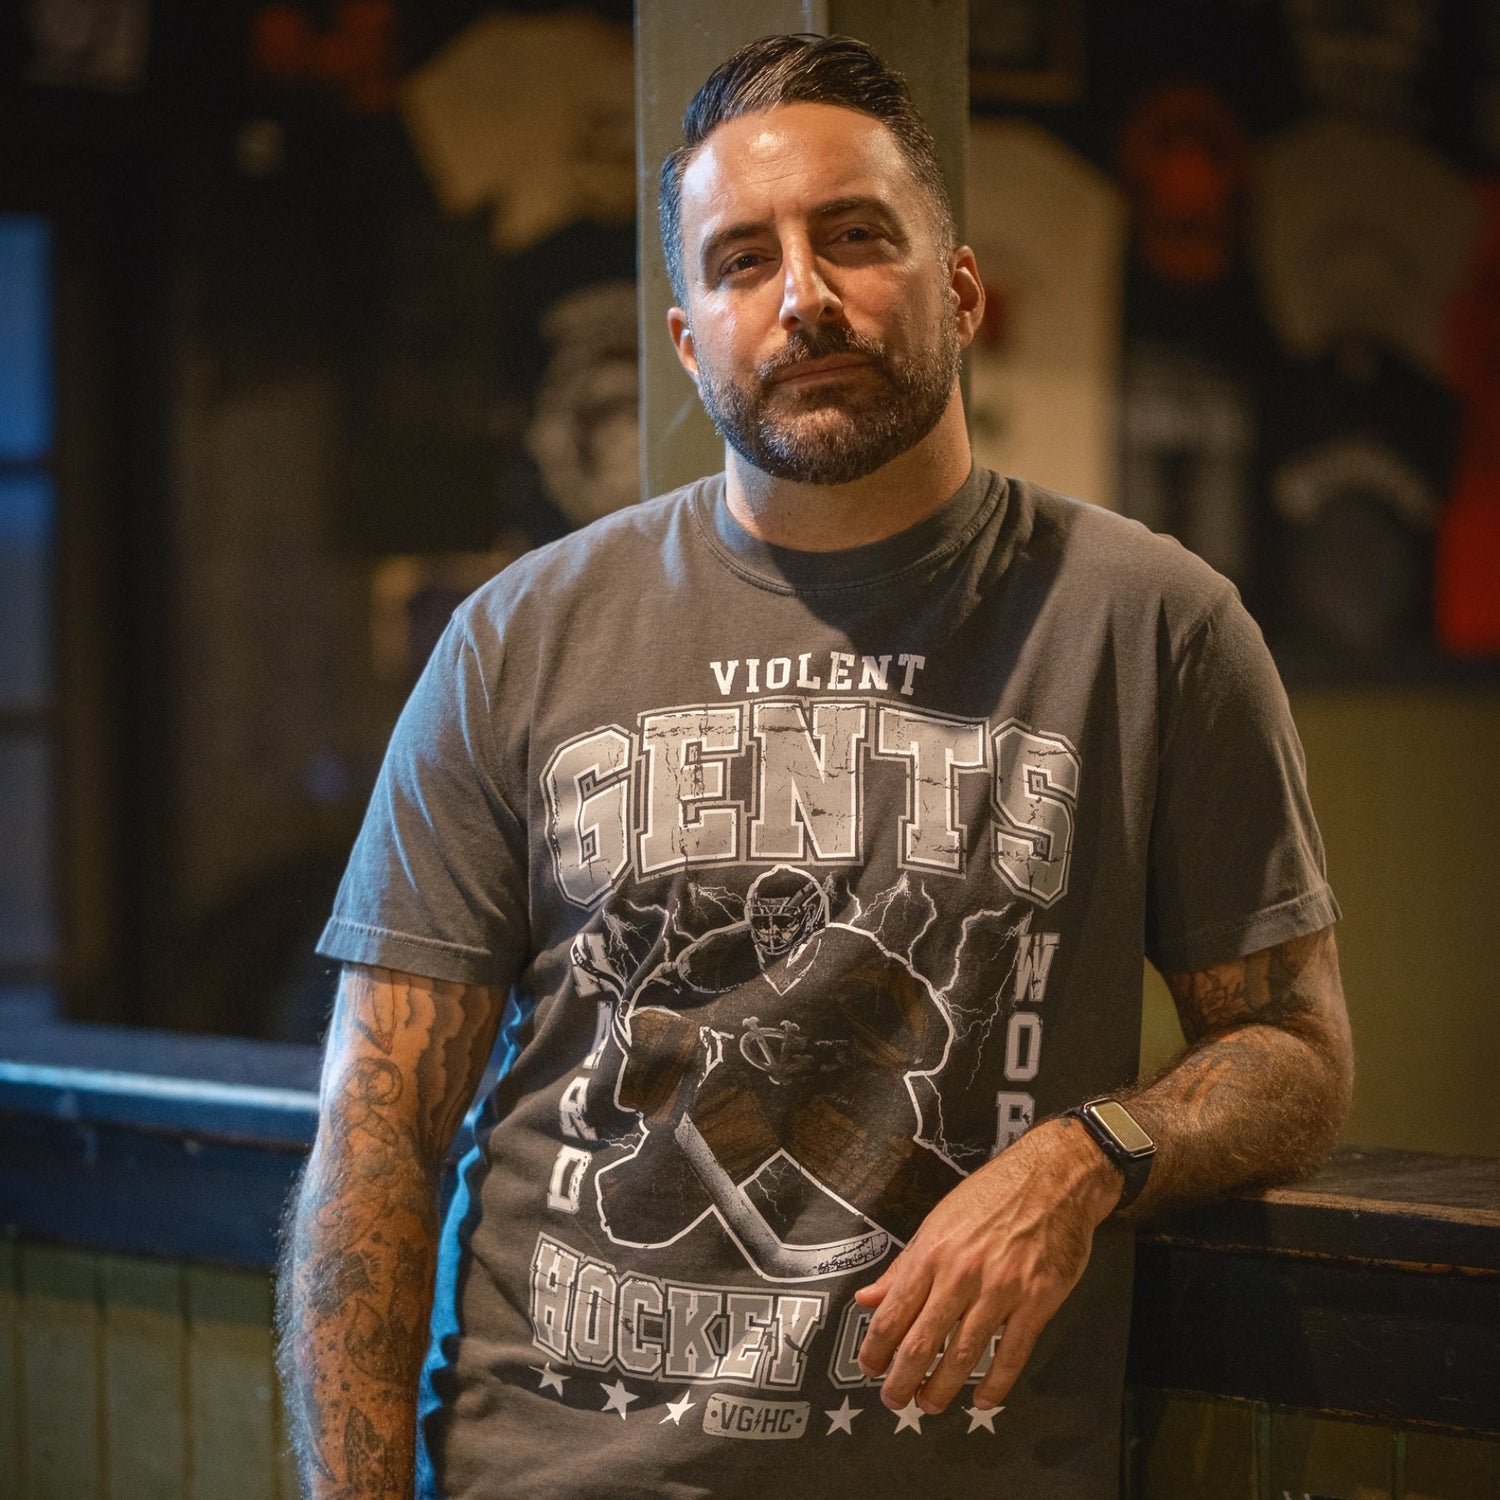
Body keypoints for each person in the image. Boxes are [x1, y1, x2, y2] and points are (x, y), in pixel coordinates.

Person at [277, 33, 1353, 1500]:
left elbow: (1294, 1051)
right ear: (688, 340)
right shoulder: (519, 640)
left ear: (960, 289)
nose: (803, 296)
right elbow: (378, 1130)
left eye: (854, 237)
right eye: (743, 260)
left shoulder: (1151, 627)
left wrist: (1084, 1157)